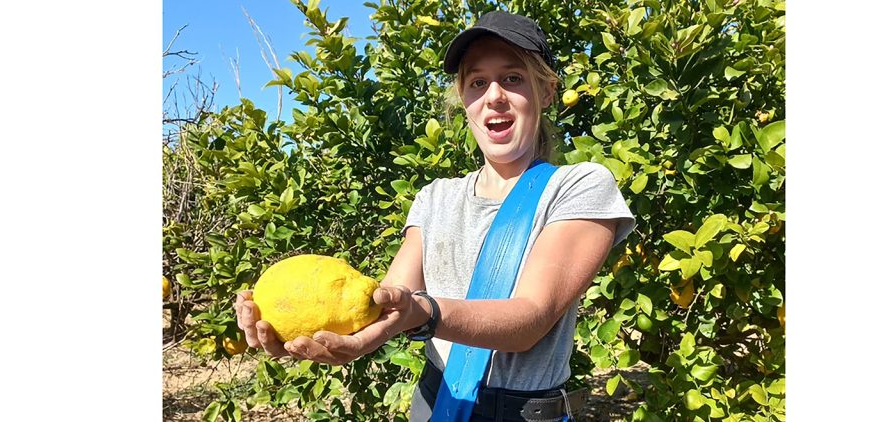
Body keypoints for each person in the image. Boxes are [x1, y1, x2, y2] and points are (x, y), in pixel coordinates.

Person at [234, 10, 635, 421]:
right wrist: (333, 336)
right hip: (434, 403)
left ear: (547, 91)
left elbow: (529, 318)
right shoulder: (435, 197)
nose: (494, 95)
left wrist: (423, 313)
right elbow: (385, 303)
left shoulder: (580, 187)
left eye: (512, 78)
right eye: (477, 82)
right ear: (464, 100)